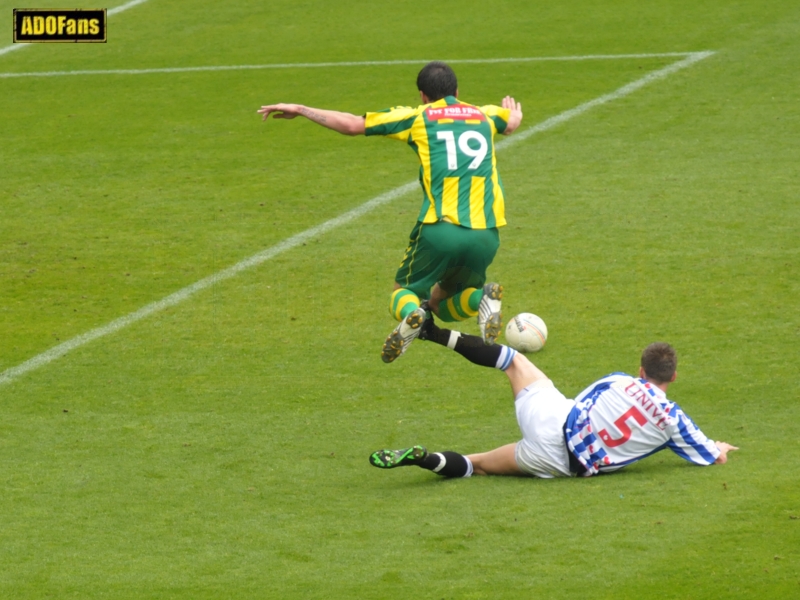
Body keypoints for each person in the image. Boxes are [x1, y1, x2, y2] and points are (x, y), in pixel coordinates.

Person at [257, 61, 523, 363]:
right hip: (486, 234)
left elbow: (352, 125)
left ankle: (412, 315)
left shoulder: (417, 117)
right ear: (457, 91)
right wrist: (514, 113)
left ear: (423, 95)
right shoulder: (484, 114)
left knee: (404, 290)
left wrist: (301, 108)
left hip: (441, 228)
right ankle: (481, 298)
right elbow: (511, 123)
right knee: (441, 302)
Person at [369, 319, 738, 479]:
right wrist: (717, 446)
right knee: (476, 465)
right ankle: (426, 459)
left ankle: (432, 332)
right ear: (673, 377)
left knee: (513, 361)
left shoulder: (620, 381)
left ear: (641, 370)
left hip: (553, 418)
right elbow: (713, 457)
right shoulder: (676, 421)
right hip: (557, 463)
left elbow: (584, 401)